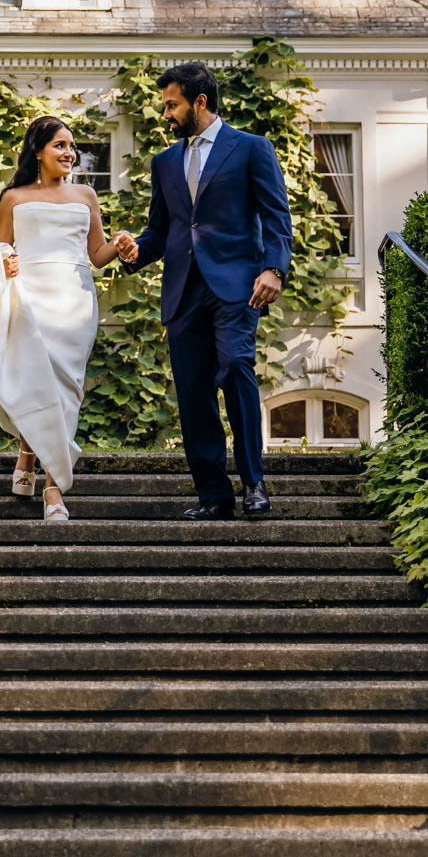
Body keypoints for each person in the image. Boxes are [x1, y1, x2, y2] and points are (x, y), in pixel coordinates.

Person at [113, 62, 292, 519]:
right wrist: (136, 249)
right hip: (182, 291)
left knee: (235, 367)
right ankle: (213, 495)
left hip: (237, 287)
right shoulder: (165, 161)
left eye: (172, 104)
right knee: (193, 394)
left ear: (200, 102)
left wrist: (274, 268)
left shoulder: (251, 148)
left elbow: (276, 216)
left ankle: (254, 482)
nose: (166, 113)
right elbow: (162, 229)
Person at [0, 116, 134, 521]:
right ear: (38, 151)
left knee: (65, 387)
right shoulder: (13, 197)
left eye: (71, 147)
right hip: (30, 297)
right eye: (60, 146)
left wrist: (119, 245)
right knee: (35, 381)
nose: (69, 153)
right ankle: (42, 476)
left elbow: (96, 256)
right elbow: (0, 250)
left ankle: (44, 478)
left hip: (74, 299)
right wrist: (6, 260)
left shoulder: (86, 195)